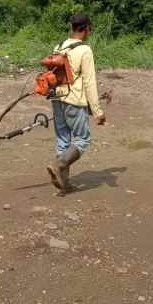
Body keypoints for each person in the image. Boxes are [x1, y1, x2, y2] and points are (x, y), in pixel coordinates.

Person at [47, 13, 106, 193]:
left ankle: (64, 184)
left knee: (63, 140)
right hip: (74, 100)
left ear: (72, 27)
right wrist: (97, 111)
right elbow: (89, 82)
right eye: (90, 28)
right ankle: (60, 164)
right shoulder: (84, 50)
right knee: (82, 140)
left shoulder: (59, 46)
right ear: (86, 28)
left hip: (57, 99)